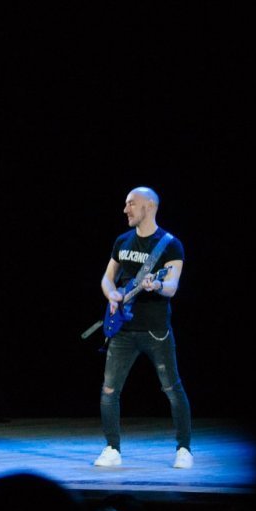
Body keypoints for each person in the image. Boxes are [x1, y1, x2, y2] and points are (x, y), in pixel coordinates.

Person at [94, 187, 193, 469]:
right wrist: (112, 294)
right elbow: (107, 278)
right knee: (109, 390)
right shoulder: (122, 241)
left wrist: (157, 284)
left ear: (149, 206)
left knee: (172, 388)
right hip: (123, 329)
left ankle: (184, 449)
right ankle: (112, 448)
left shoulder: (170, 245)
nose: (125, 209)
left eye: (131, 204)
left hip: (155, 330)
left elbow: (172, 286)